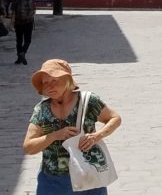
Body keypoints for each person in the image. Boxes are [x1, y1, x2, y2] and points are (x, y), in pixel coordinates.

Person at [23, 58, 122, 195]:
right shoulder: (41, 110)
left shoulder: (88, 101)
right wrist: (55, 135)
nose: (50, 86)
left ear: (67, 80)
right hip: (53, 182)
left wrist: (97, 136)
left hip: (88, 175)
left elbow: (115, 118)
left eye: (54, 81)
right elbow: (28, 147)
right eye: (46, 83)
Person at [14, 0, 36, 65]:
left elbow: (14, 11)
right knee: (27, 40)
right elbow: (33, 11)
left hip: (18, 23)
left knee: (19, 40)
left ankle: (19, 58)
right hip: (28, 22)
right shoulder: (31, 0)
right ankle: (22, 52)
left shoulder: (17, 0)